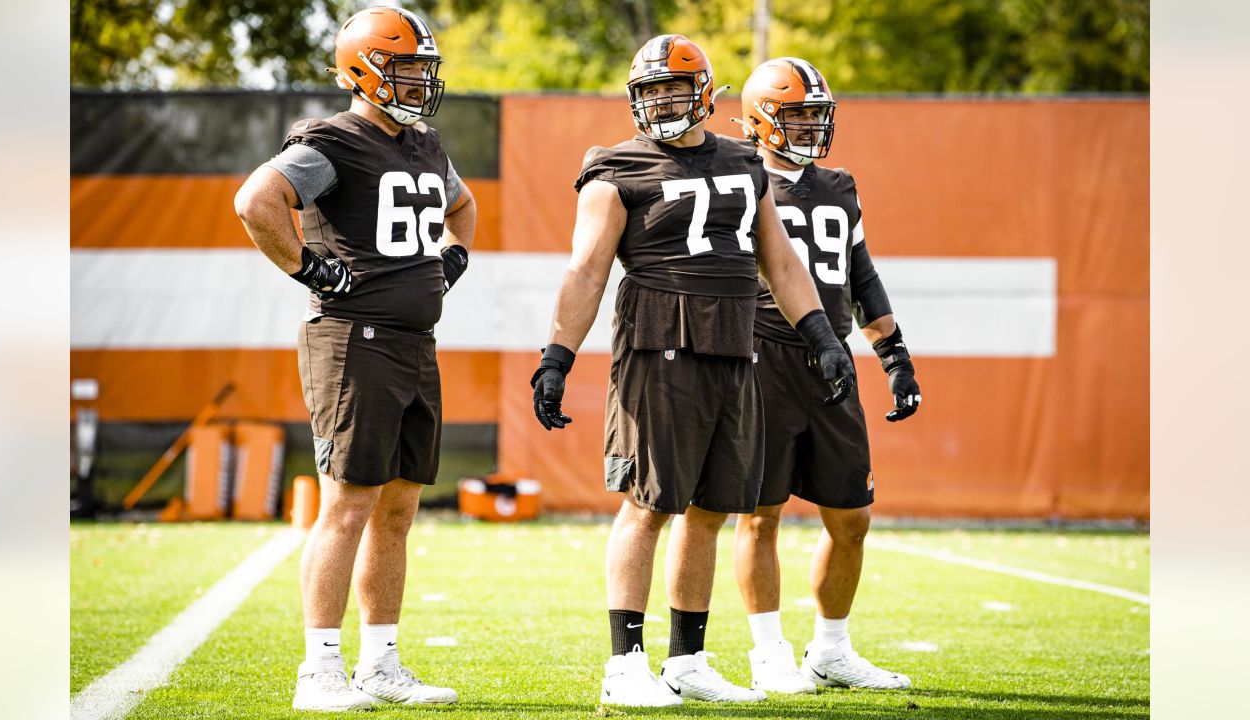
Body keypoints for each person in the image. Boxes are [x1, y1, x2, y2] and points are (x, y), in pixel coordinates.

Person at [530, 35, 855, 707]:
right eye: (650, 91)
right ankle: (625, 666)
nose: (662, 101)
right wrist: (556, 358)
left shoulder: (743, 161)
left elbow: (782, 263)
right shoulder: (615, 167)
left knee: (710, 509)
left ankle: (689, 660)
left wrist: (821, 334)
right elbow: (586, 270)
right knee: (648, 505)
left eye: (674, 89)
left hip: (736, 346)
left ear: (705, 92)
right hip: (660, 346)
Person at [233, 6, 475, 712]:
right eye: (403, 68)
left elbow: (462, 209)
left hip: (412, 343)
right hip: (352, 339)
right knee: (347, 506)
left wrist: (452, 259)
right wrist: (310, 269)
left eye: (422, 69)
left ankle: (381, 664)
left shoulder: (425, 145)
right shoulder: (332, 141)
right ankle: (319, 670)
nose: (417, 82)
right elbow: (256, 200)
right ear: (362, 68)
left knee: (398, 508)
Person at [731, 57, 920, 694]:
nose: (810, 125)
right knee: (761, 514)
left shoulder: (839, 185)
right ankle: (767, 652)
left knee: (851, 516)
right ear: (761, 116)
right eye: (796, 113)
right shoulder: (736, 176)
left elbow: (860, 276)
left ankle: (831, 650)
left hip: (831, 360)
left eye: (817, 113)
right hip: (762, 357)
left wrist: (894, 356)